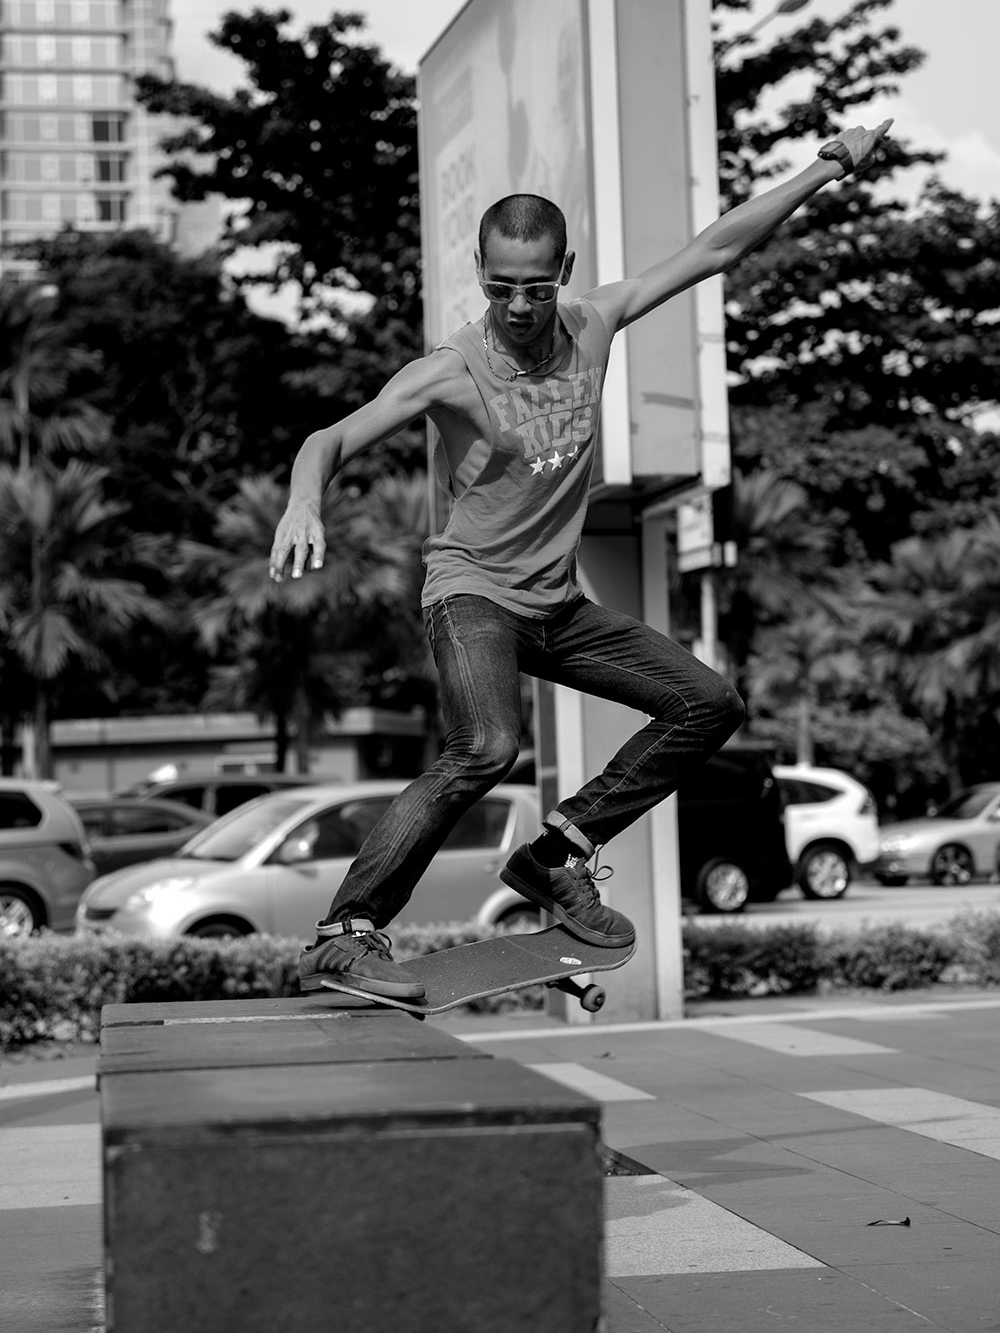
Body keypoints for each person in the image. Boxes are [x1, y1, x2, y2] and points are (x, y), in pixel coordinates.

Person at [270, 119, 894, 999]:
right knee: (485, 745)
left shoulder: (594, 320)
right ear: (479, 277)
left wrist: (825, 168)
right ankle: (348, 930)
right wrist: (305, 497)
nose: (518, 308)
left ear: (562, 272)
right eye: (499, 289)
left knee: (707, 701)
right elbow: (328, 438)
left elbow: (715, 248)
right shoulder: (450, 369)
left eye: (533, 288)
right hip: (472, 594)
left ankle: (556, 855)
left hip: (557, 606)